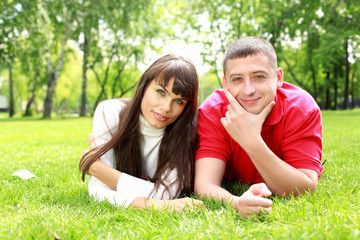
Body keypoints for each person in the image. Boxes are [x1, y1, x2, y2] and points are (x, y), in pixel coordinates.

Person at [194, 37, 323, 218]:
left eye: (259, 77)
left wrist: (252, 141)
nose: (248, 90)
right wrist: (237, 203)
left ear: (278, 78)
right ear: (225, 84)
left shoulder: (301, 108)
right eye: (237, 79)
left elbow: (304, 188)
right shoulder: (212, 111)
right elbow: (204, 185)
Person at [79, 54, 204, 211]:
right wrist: (160, 206)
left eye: (179, 101)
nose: (166, 107)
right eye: (161, 92)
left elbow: (167, 194)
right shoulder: (110, 112)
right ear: (144, 86)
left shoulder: (186, 130)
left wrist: (98, 169)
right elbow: (99, 191)